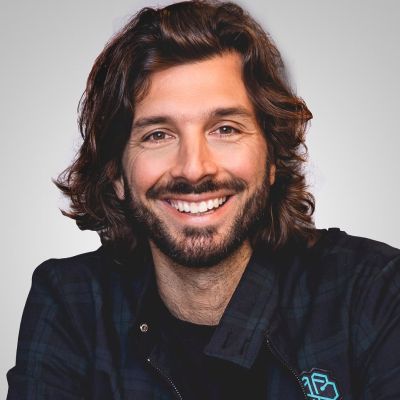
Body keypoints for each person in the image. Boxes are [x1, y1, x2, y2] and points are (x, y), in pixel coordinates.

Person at [7, 1, 400, 399]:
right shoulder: (72, 303)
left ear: (271, 161)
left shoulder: (373, 292)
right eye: (158, 135)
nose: (194, 169)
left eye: (225, 129)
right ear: (117, 174)